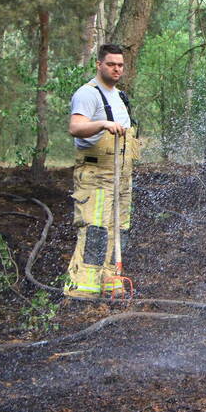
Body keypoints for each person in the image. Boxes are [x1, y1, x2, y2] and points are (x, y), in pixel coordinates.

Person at [64, 43, 141, 297]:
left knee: (119, 227)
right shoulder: (88, 94)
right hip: (97, 176)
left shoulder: (120, 96)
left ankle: (111, 280)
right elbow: (76, 127)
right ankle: (84, 288)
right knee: (96, 228)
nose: (116, 69)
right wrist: (102, 124)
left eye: (120, 65)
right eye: (111, 64)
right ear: (99, 64)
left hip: (121, 176)